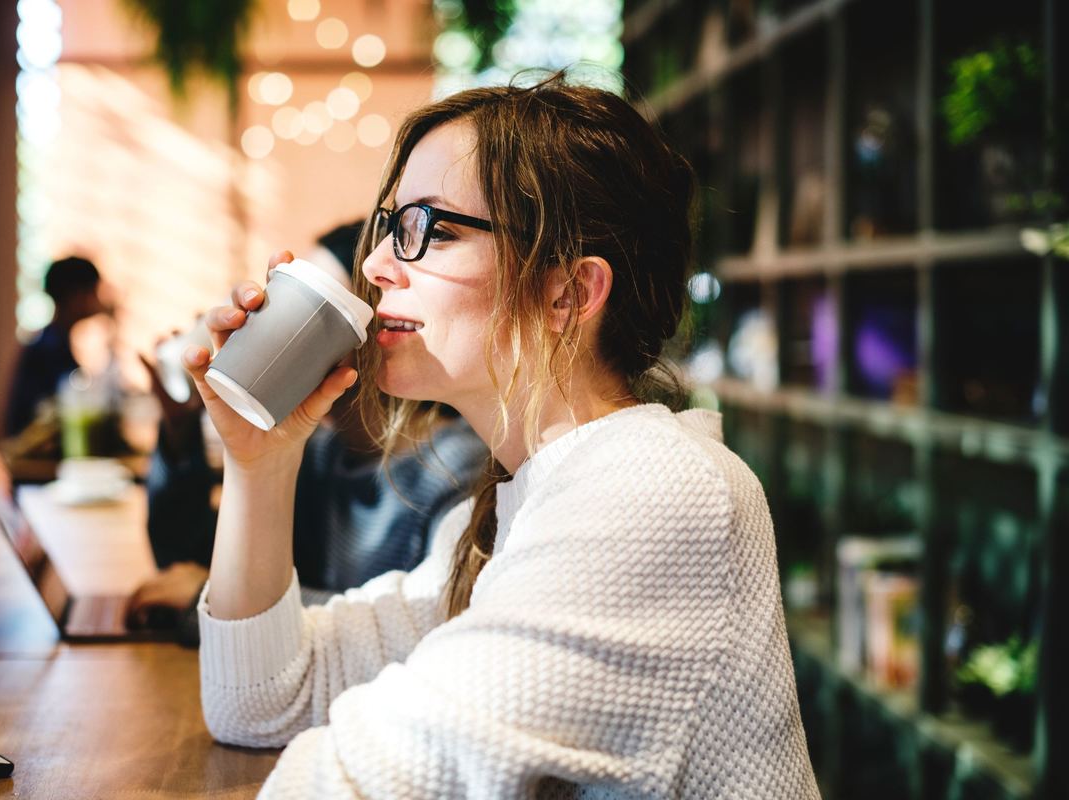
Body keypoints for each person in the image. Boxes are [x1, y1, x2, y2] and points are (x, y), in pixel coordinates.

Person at [185, 75, 820, 798]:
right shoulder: (497, 518)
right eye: (393, 225)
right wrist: (258, 461)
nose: (376, 265)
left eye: (435, 228)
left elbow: (352, 784)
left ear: (568, 293)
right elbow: (261, 702)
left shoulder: (655, 491)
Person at [127, 221, 488, 640]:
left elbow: (426, 628)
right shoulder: (318, 449)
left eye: (311, 303)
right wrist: (181, 426)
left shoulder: (454, 469)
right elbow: (184, 563)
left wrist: (200, 601)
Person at [3, 256, 106, 435]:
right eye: (93, 292)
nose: (98, 299)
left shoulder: (53, 342)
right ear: (76, 296)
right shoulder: (48, 351)